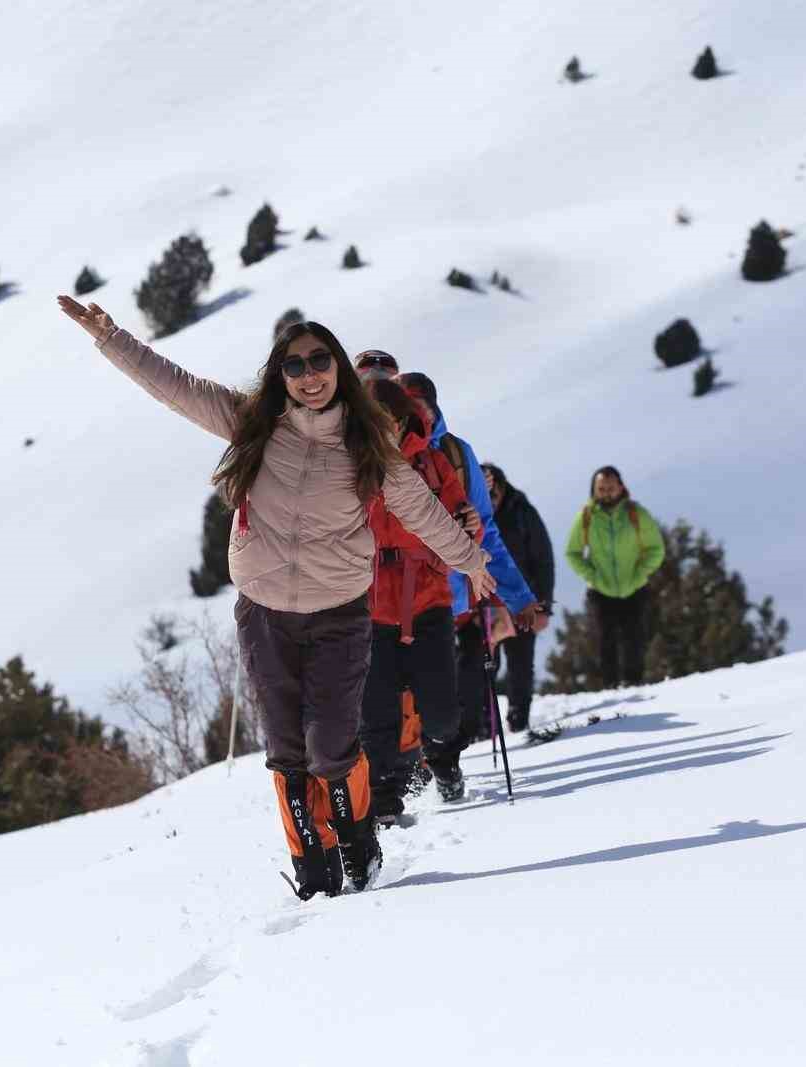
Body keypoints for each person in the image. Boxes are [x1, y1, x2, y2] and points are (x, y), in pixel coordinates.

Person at [57, 297, 493, 900]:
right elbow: (174, 386)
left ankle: (356, 837)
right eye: (295, 365)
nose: (309, 375)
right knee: (286, 750)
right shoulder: (252, 423)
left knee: (331, 744)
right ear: (279, 374)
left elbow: (419, 509)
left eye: (319, 361)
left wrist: (470, 561)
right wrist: (111, 338)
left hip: (340, 612)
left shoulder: (367, 445)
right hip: (264, 614)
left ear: (338, 367)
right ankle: (311, 862)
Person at [396, 372, 540, 796]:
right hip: (404, 598)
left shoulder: (457, 453)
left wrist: (518, 596)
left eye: (419, 404)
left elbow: (488, 531)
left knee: (461, 701)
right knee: (408, 696)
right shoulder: (386, 452)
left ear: (434, 406)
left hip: (459, 598)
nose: (412, 413)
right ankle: (417, 771)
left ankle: (443, 761)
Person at [359, 379, 480, 826]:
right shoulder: (347, 469)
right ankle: (385, 796)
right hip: (370, 605)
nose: (382, 430)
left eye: (388, 421)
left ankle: (444, 757)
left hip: (428, 596)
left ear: (402, 420)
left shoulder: (431, 463)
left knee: (443, 710)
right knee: (377, 715)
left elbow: (465, 523)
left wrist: (469, 528)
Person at [564, 466, 665, 689]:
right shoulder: (586, 517)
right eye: (601, 488)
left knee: (635, 638)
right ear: (594, 490)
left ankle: (634, 682)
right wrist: (592, 576)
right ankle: (610, 686)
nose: (607, 492)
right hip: (600, 590)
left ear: (621, 487)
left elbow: (656, 548)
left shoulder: (636, 514)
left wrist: (641, 573)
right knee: (604, 640)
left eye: (611, 487)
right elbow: (573, 553)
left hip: (635, 587)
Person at [480, 463, 554, 731]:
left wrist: (543, 606)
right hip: (487, 603)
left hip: (523, 600)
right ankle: (484, 723)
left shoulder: (522, 513)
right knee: (484, 664)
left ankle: (518, 716)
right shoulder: (473, 511)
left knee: (521, 662)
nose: (490, 501)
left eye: (493, 495)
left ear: (500, 488)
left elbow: (543, 559)